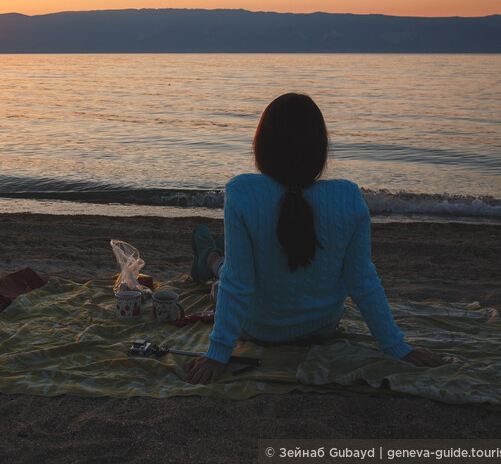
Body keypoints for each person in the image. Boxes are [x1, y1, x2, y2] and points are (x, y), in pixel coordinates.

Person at [185, 93, 445, 385]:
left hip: (256, 329)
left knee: (224, 275)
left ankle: (208, 256)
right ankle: (215, 253)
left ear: (262, 146)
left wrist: (218, 354)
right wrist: (398, 348)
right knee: (236, 267)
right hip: (321, 328)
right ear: (320, 150)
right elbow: (362, 281)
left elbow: (238, 283)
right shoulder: (348, 198)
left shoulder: (242, 193)